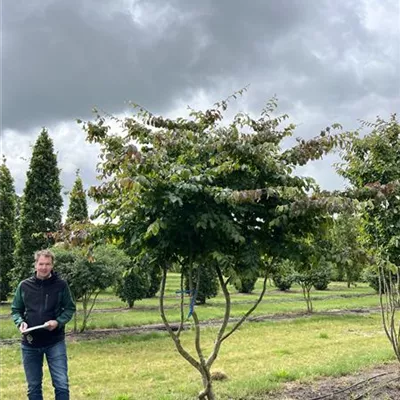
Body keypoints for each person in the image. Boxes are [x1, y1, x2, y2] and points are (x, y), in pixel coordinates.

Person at [11, 249, 76, 400]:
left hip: (55, 342)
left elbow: (70, 308)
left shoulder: (61, 285)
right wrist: (20, 322)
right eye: (41, 264)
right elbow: (16, 310)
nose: (44, 267)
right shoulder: (24, 286)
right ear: (35, 265)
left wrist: (58, 322)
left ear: (52, 265)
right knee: (33, 387)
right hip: (30, 343)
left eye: (47, 264)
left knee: (61, 384)